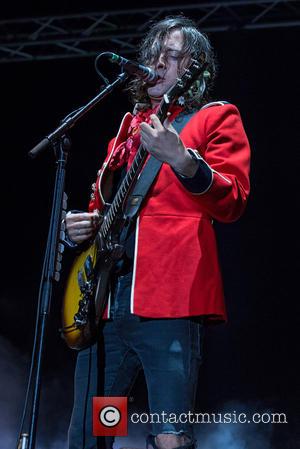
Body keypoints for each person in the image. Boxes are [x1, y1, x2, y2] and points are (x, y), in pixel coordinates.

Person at [65, 15, 251, 449]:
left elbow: (233, 200)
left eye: (171, 55)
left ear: (194, 70)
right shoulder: (129, 129)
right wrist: (85, 224)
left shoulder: (213, 117)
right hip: (107, 309)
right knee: (96, 430)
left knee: (168, 435)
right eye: (153, 54)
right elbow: (104, 207)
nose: (156, 62)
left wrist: (183, 160)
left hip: (168, 304)